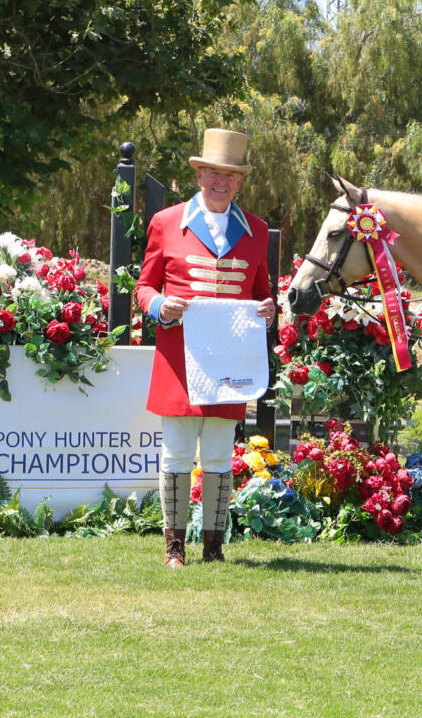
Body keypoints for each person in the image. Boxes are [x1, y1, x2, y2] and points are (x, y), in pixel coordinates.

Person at [135, 128, 276, 567]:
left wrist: (269, 311)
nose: (221, 182)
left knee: (218, 454)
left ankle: (213, 549)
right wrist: (161, 305)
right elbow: (144, 287)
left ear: (240, 181)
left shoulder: (255, 229)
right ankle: (174, 549)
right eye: (213, 173)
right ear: (199, 175)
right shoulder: (166, 222)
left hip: (229, 360)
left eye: (230, 176)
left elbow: (261, 291)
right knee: (176, 452)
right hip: (179, 357)